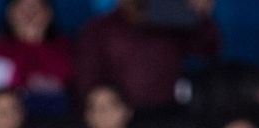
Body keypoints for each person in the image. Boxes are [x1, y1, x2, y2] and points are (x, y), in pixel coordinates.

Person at [74, 0, 219, 115]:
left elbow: (207, 49)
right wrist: (99, 113)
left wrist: (201, 16)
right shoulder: (98, 28)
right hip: (116, 120)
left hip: (167, 114)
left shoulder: (172, 22)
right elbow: (86, 78)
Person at [0, 0, 71, 116]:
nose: (29, 16)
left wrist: (37, 43)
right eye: (23, 10)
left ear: (48, 14)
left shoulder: (62, 44)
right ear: (10, 13)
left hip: (54, 114)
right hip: (11, 114)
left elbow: (63, 77)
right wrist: (26, 42)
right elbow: (8, 80)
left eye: (35, 10)